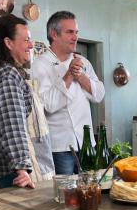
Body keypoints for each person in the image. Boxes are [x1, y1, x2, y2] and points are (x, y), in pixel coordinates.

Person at [0, 14, 53, 189]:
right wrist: (21, 169)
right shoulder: (8, 76)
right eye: (26, 39)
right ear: (8, 43)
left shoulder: (9, 72)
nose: (31, 45)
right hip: (16, 171)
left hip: (16, 168)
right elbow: (11, 125)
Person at [31, 10, 105, 174]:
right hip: (60, 147)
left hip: (86, 143)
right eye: (70, 32)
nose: (75, 37)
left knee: (90, 189)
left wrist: (80, 76)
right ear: (53, 34)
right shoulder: (40, 65)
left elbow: (99, 94)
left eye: (76, 32)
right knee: (66, 195)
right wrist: (69, 75)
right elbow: (48, 105)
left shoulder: (83, 62)